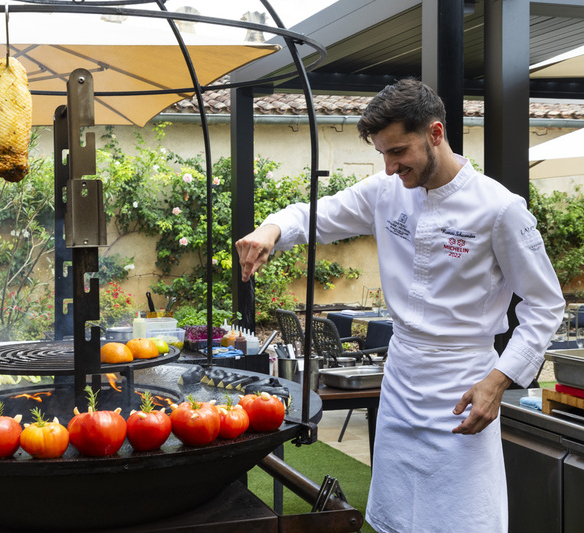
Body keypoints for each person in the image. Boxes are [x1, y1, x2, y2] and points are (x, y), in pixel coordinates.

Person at [235, 78, 565, 532]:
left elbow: (545, 305)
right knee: (397, 518)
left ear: (435, 133)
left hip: (463, 388)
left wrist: (499, 379)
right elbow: (313, 215)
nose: (390, 167)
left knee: (463, 521)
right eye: (383, 154)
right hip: (401, 380)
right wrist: (271, 229)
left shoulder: (500, 209)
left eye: (398, 152)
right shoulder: (384, 192)